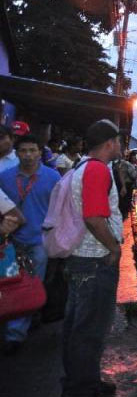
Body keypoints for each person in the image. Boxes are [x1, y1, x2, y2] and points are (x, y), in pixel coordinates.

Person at [61, 119, 124, 397]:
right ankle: (83, 389)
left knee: (78, 327)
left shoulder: (82, 167)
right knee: (89, 330)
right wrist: (114, 248)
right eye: (119, 141)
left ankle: (82, 381)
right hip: (95, 261)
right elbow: (94, 219)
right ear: (109, 143)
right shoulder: (97, 170)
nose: (121, 146)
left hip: (82, 259)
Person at [0, 135, 60, 355]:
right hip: (11, 242)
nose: (27, 155)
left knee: (30, 285)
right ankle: (13, 325)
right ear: (16, 153)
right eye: (23, 151)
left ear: (39, 152)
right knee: (10, 285)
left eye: (32, 150)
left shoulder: (53, 178)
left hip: (39, 242)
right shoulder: (4, 178)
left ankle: (15, 335)